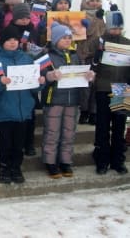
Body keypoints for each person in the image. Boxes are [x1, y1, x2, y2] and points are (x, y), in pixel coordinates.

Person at [0, 25, 45, 184]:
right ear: (2, 42)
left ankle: (16, 168)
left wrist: (40, 82)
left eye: (15, 40)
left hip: (24, 110)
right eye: (8, 40)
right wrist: (1, 82)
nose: (12, 43)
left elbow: (35, 87)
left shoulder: (27, 59)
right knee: (5, 141)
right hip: (5, 110)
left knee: (19, 143)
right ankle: (4, 167)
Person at [40, 22, 95, 178]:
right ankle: (50, 162)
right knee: (52, 132)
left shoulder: (75, 56)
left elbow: (82, 74)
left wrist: (88, 76)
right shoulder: (47, 56)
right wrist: (49, 76)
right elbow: (39, 77)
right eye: (63, 37)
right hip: (54, 99)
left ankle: (65, 161)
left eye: (69, 37)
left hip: (73, 100)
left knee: (69, 132)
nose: (67, 40)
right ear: (55, 39)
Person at [91, 10, 130, 175]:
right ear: (107, 26)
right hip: (103, 88)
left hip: (121, 88)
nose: (116, 31)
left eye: (119, 28)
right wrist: (96, 58)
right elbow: (91, 65)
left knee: (119, 125)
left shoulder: (127, 43)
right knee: (102, 125)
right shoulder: (100, 42)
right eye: (113, 28)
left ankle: (118, 160)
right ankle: (102, 160)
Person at [5, 3, 41, 156]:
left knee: (30, 112)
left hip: (29, 70)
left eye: (27, 17)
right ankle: (17, 144)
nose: (25, 21)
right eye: (22, 18)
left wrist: (34, 50)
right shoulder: (10, 31)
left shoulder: (33, 29)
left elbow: (38, 47)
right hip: (15, 73)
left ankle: (29, 142)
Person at [77, 0, 106, 125]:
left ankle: (94, 112)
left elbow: (105, 32)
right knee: (85, 87)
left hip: (99, 54)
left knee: (96, 86)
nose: (95, 3)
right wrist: (94, 20)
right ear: (87, 1)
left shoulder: (103, 15)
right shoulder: (81, 15)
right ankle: (84, 111)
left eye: (98, 0)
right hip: (86, 54)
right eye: (92, 0)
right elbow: (84, 34)